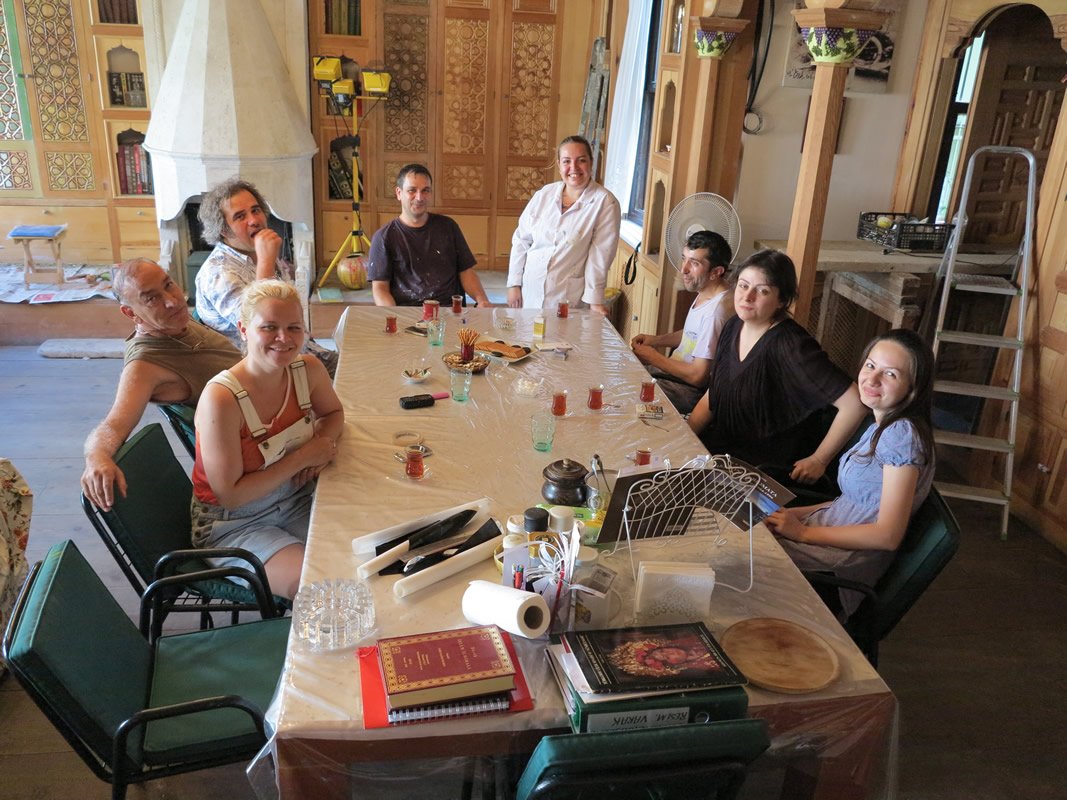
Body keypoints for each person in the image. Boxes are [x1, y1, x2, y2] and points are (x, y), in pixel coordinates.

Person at [766, 329, 936, 618]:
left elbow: (888, 535)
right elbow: (854, 503)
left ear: (913, 387)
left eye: (890, 374)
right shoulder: (881, 425)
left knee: (729, 563)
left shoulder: (902, 435)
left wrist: (803, 532)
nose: (872, 379)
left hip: (834, 572)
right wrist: (788, 515)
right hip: (823, 543)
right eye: (870, 365)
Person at [191, 280, 343, 599]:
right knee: (320, 588)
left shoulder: (308, 371)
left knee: (361, 557)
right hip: (236, 524)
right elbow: (231, 495)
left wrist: (323, 446)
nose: (284, 338)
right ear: (243, 329)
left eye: (294, 328)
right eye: (269, 327)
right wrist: (304, 457)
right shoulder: (221, 399)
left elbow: (333, 414)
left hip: (298, 499)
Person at [688, 249, 867, 483]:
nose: (747, 297)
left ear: (781, 300)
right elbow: (715, 394)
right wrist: (685, 436)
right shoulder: (733, 326)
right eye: (743, 286)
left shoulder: (791, 345)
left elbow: (854, 403)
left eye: (762, 291)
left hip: (760, 471)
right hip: (719, 454)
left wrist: (819, 459)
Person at [81, 258, 240, 511]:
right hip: (247, 455)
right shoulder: (144, 365)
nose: (172, 301)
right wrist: (96, 457)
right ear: (130, 313)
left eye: (168, 285)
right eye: (151, 298)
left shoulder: (176, 322)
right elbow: (113, 425)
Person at [195, 177, 338, 374]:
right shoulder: (218, 274)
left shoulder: (258, 250)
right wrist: (266, 261)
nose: (254, 221)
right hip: (266, 370)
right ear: (223, 231)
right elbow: (259, 322)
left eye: (255, 210)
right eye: (240, 216)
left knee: (366, 360)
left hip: (299, 352)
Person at [506, 135, 621, 315]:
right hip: (530, 292)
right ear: (559, 165)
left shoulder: (605, 202)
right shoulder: (544, 194)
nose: (573, 168)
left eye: (581, 160)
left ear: (591, 163)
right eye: (567, 161)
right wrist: (514, 284)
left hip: (567, 297)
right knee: (527, 331)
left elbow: (599, 257)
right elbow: (521, 240)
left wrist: (595, 302)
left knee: (561, 333)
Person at [630, 230, 733, 413]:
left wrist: (653, 357)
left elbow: (698, 376)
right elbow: (692, 335)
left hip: (686, 390)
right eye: (684, 259)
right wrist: (655, 340)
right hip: (672, 376)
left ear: (716, 272)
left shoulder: (715, 313)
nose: (683, 269)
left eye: (694, 263)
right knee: (619, 372)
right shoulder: (707, 290)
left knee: (625, 397)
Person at [366, 164, 492, 308]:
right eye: (412, 190)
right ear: (399, 193)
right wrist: (394, 314)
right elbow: (380, 288)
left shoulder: (448, 227)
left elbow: (466, 271)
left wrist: (482, 300)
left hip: (450, 312)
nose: (419, 197)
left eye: (425, 190)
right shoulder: (384, 237)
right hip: (408, 313)